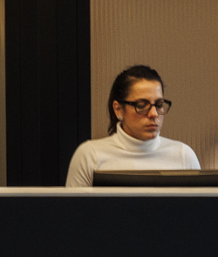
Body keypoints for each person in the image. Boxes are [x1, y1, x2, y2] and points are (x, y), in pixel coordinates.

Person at [64, 65, 200, 186]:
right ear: (118, 109)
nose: (153, 114)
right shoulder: (90, 156)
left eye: (159, 105)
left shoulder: (183, 156)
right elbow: (73, 213)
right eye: (141, 106)